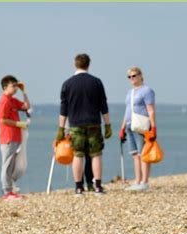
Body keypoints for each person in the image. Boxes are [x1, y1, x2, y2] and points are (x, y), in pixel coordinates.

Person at [56, 53, 111, 196]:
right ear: (88, 64)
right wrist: (108, 125)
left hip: (75, 125)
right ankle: (98, 186)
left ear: (75, 64)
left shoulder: (67, 84)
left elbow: (64, 109)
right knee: (96, 155)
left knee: (78, 155)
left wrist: (61, 128)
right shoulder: (96, 82)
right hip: (94, 123)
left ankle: (78, 188)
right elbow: (103, 105)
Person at [119, 67, 157, 191]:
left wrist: (153, 127)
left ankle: (145, 182)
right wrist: (122, 127)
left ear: (140, 75)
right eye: (129, 76)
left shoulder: (147, 91)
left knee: (143, 154)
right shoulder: (130, 92)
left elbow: (150, 110)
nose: (132, 78)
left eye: (134, 75)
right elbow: (127, 110)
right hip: (130, 125)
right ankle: (138, 180)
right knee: (135, 154)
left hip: (142, 125)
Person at [0, 75, 30, 200]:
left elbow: (26, 106)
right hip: (7, 137)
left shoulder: (12, 100)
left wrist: (24, 91)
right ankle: (7, 191)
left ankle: (11, 189)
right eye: (13, 86)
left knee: (13, 164)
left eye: (16, 85)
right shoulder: (3, 101)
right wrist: (17, 124)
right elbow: (3, 119)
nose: (15, 88)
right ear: (5, 87)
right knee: (7, 164)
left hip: (16, 137)